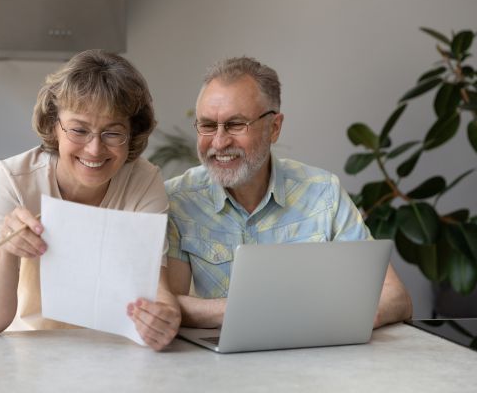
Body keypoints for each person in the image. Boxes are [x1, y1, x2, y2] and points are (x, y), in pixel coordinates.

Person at [0, 49, 180, 351]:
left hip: (63, 343)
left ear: (132, 133)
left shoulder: (144, 182)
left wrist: (164, 318)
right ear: (53, 126)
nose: (94, 149)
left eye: (113, 133)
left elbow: (156, 286)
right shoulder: (12, 180)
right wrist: (8, 251)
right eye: (79, 130)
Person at [165, 56, 413, 329]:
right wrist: (256, 311)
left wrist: (330, 320)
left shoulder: (323, 193)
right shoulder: (178, 200)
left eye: (236, 125)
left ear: (274, 128)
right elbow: (169, 303)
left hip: (314, 356)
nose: (220, 142)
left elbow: (396, 297)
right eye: (208, 126)